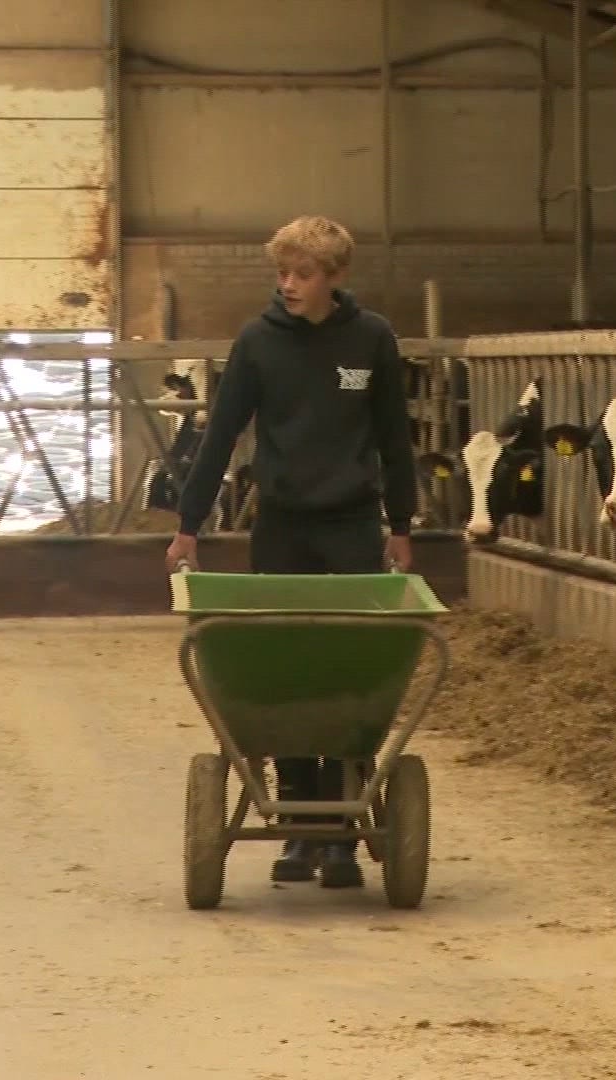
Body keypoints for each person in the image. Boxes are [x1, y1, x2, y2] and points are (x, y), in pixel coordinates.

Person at [165, 214, 418, 891]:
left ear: (335, 277)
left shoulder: (371, 341)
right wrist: (188, 523)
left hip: (352, 526)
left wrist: (403, 523)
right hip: (280, 525)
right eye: (281, 274)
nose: (287, 286)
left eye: (301, 274)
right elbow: (219, 435)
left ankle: (340, 833)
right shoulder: (258, 343)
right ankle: (300, 827)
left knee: (350, 671)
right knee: (285, 670)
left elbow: (396, 438)